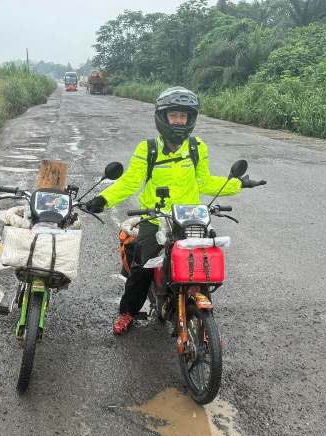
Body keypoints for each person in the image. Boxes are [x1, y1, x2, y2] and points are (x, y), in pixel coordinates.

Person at [85, 86, 265, 335]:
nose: (179, 121)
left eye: (184, 116)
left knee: (202, 259)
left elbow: (204, 182)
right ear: (163, 117)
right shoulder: (147, 149)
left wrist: (238, 183)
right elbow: (130, 183)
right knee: (143, 266)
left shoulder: (196, 147)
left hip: (189, 216)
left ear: (190, 119)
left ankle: (197, 308)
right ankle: (128, 312)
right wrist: (102, 200)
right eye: (174, 116)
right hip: (156, 217)